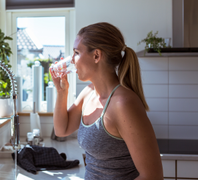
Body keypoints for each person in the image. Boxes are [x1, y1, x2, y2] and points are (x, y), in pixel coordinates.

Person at [50, 22, 163, 180]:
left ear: (96, 55)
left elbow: (153, 176)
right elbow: (61, 130)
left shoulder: (123, 104)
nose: (72, 61)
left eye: (76, 52)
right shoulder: (89, 93)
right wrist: (62, 92)